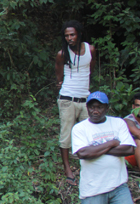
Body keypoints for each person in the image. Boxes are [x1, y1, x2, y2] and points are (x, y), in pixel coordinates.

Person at [55, 20, 96, 186]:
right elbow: (58, 75)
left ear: (79, 34)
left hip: (85, 98)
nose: (69, 38)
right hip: (67, 99)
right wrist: (62, 84)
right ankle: (67, 168)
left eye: (72, 34)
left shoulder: (90, 50)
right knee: (66, 135)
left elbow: (90, 69)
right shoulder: (62, 54)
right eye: (66, 36)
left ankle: (87, 165)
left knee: (89, 133)